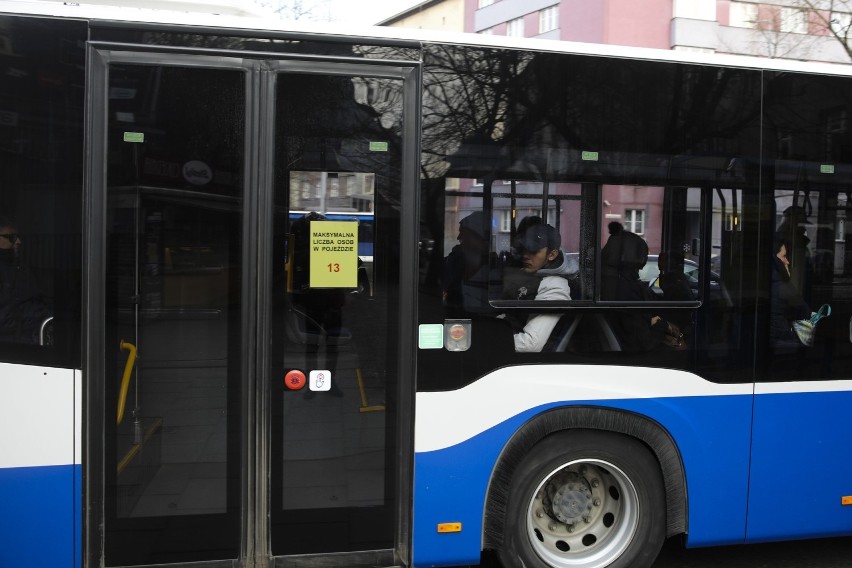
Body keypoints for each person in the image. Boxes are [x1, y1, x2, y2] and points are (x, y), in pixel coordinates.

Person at [600, 222, 684, 351]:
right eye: (640, 263)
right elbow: (644, 341)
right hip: (635, 354)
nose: (642, 266)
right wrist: (663, 325)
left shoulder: (610, 281)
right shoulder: (625, 288)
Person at [506, 223, 572, 352]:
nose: (525, 255)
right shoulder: (529, 274)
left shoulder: (555, 286)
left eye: (533, 251)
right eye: (524, 248)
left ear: (552, 255)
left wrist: (487, 339)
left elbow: (530, 344)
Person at [0, 217, 51, 344]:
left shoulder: (20, 267)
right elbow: (5, 317)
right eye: (11, 237)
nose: (18, 242)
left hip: (32, 336)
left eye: (18, 237)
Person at [442, 211, 500, 315]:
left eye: (463, 233)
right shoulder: (457, 257)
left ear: (477, 237)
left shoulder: (493, 268)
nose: (459, 237)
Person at [770, 237, 811, 348]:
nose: (787, 261)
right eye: (784, 256)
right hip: (781, 338)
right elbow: (805, 312)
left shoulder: (767, 282)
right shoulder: (782, 286)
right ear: (774, 260)